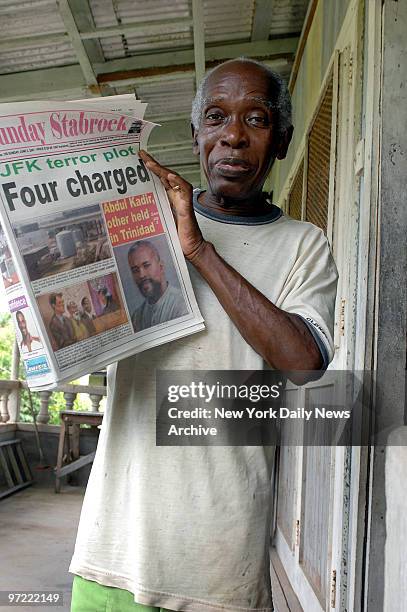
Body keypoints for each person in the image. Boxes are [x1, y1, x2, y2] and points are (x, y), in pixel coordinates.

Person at [70, 58, 338, 611]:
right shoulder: (144, 221)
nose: (233, 136)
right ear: (196, 136)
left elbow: (303, 363)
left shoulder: (303, 245)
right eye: (216, 118)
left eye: (257, 119)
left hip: (217, 564)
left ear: (283, 140)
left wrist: (199, 252)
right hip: (111, 546)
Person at [128, 240, 188, 331]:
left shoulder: (182, 304)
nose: (141, 275)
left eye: (146, 265)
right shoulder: (136, 318)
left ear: (161, 266)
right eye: (135, 270)